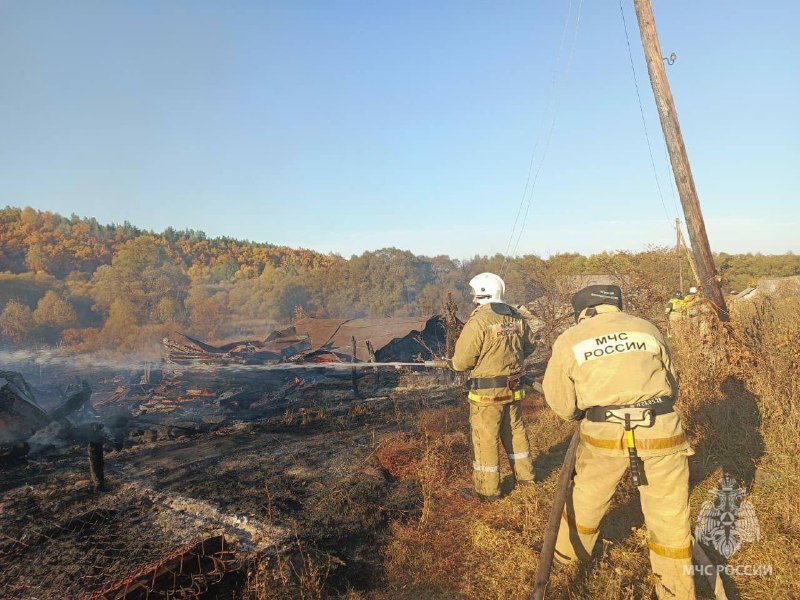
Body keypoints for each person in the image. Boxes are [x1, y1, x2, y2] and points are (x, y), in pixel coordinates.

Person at [542, 285, 695, 599]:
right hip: (661, 427)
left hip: (604, 430)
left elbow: (560, 401)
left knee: (588, 494)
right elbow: (672, 384)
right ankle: (675, 589)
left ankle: (568, 557)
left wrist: (579, 414)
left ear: (582, 312)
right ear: (618, 306)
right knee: (670, 512)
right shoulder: (647, 328)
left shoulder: (570, 339)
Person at [450, 272, 537, 501]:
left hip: (487, 395)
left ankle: (488, 491)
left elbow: (461, 362)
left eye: (473, 293)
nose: (471, 298)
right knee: (515, 432)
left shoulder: (479, 320)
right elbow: (529, 347)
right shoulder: (516, 316)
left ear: (481, 293)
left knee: (485, 438)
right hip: (514, 388)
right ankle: (526, 479)